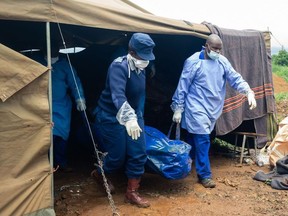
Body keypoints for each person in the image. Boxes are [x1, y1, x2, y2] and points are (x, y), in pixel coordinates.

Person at [171, 34, 257, 188]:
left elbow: (235, 78)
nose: (217, 52)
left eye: (219, 49)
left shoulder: (222, 61)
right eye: (215, 49)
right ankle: (204, 175)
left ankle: (185, 163)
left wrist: (248, 91)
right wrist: (178, 107)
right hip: (196, 106)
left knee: (194, 136)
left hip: (213, 108)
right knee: (203, 139)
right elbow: (182, 86)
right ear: (206, 46)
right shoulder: (193, 62)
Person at [91, 33, 155, 208]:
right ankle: (99, 173)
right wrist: (128, 118)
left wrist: (136, 117)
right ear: (131, 52)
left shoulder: (141, 68)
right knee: (117, 156)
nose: (146, 61)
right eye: (143, 56)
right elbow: (117, 94)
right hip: (111, 116)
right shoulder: (118, 67)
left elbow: (139, 95)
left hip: (134, 115)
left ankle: (132, 193)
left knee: (139, 152)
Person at [37, 41, 86, 172]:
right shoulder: (36, 62)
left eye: (55, 47)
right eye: (49, 47)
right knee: (44, 135)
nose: (53, 50)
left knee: (61, 135)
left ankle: (61, 162)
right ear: (43, 48)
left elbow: (75, 83)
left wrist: (80, 98)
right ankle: (45, 164)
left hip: (61, 107)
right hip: (41, 105)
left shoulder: (65, 65)